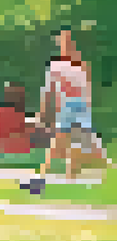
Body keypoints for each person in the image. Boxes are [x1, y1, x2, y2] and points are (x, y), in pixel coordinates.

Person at [27, 27, 107, 193]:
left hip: (79, 106)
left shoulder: (80, 65)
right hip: (70, 106)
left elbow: (87, 89)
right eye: (63, 41)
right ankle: (46, 178)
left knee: (80, 144)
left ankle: (59, 178)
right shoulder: (58, 65)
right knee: (62, 142)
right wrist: (43, 112)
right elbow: (49, 91)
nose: (65, 45)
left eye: (67, 41)